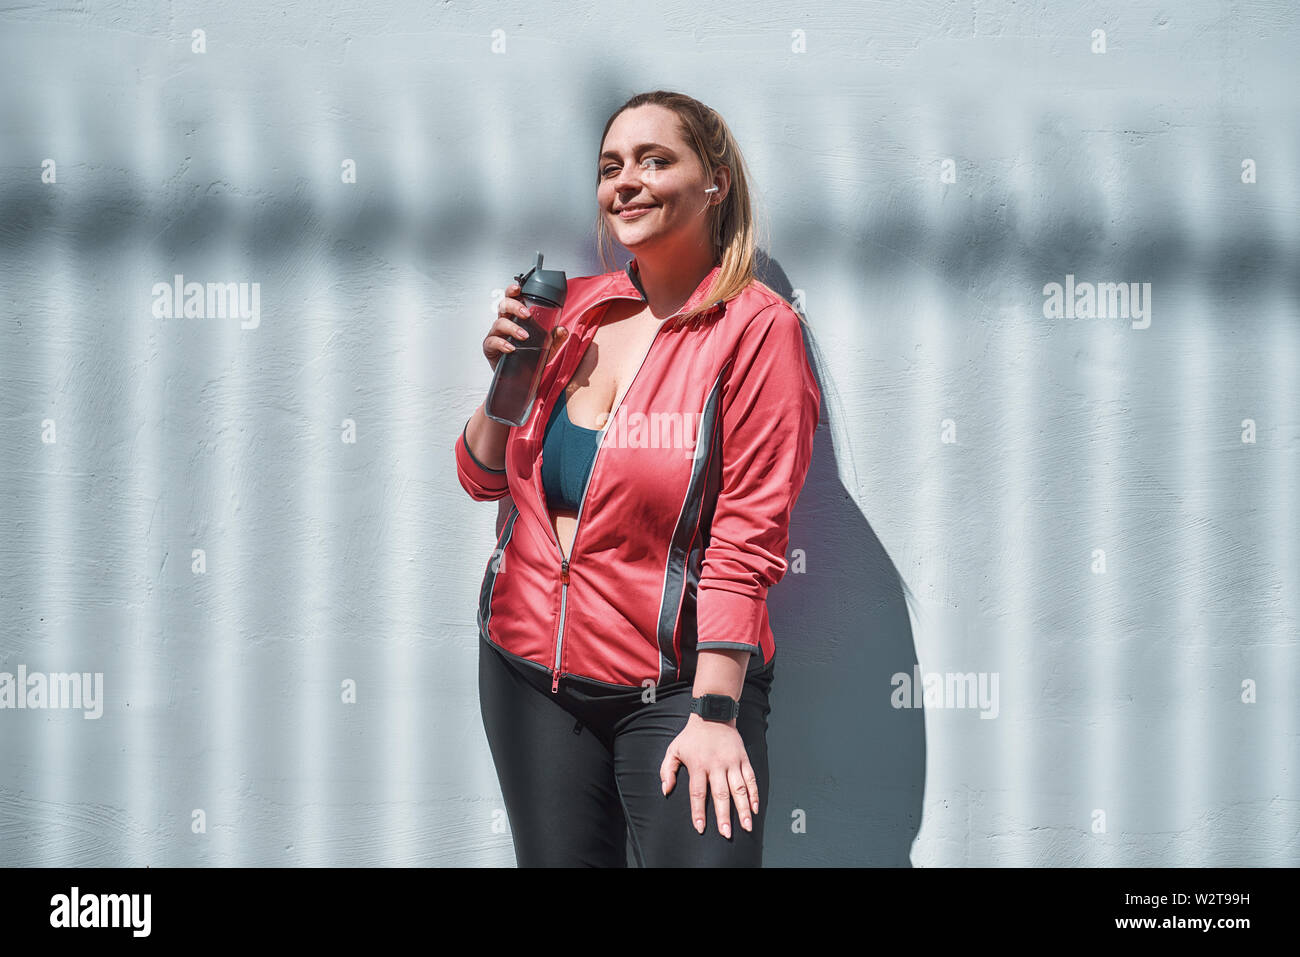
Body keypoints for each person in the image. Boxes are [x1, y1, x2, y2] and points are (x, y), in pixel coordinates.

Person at [453, 89, 821, 867]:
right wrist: (507, 378)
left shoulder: (757, 331)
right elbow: (483, 478)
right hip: (530, 672)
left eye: (657, 160)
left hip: (682, 686)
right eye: (611, 166)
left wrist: (717, 711)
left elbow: (747, 539)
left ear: (715, 180)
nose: (627, 180)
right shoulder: (575, 309)